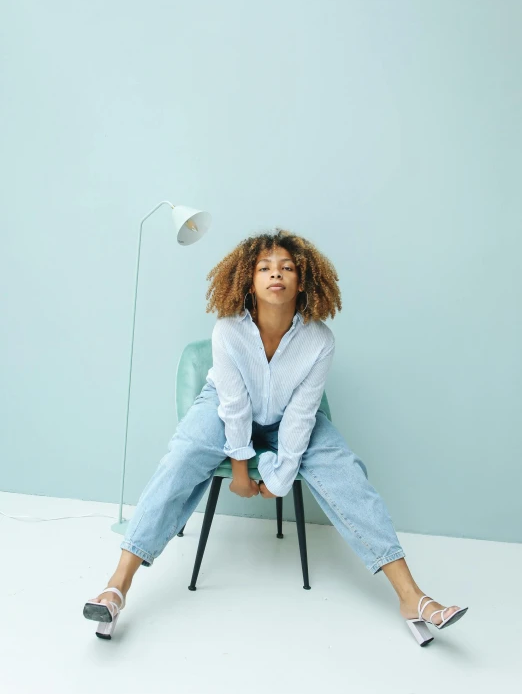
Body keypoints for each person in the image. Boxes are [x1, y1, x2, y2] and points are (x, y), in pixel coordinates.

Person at [83, 229, 468, 644]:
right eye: (264, 268)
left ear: (302, 281)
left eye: (287, 268)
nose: (276, 275)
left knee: (348, 474)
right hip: (225, 408)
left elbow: (303, 414)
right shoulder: (228, 331)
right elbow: (233, 408)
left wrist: (280, 478)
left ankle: (412, 597)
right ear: (248, 280)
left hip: (289, 415)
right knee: (181, 456)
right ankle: (116, 586)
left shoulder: (319, 340)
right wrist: (243, 471)